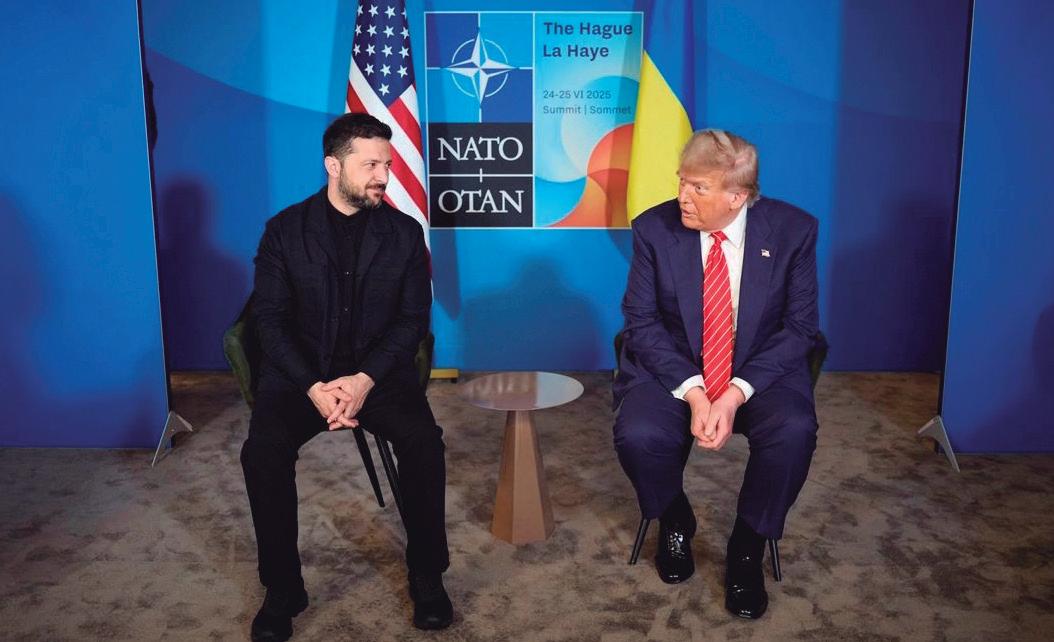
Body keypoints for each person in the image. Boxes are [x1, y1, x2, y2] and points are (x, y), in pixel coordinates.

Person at [240, 113, 452, 641]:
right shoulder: (284, 231)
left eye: (388, 164)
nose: (384, 175)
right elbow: (269, 320)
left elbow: (412, 321)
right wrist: (313, 386)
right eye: (371, 165)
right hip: (301, 379)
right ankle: (283, 588)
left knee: (425, 443)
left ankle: (427, 575)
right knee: (262, 452)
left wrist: (364, 380)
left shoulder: (404, 234)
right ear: (333, 166)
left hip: (377, 377)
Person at [613, 129, 819, 619]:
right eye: (682, 181)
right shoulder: (654, 229)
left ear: (737, 196)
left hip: (758, 370)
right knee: (637, 433)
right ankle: (675, 518)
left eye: (698, 188)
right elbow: (641, 322)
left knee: (794, 431)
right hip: (676, 365)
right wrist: (695, 392)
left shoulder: (793, 231)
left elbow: (800, 328)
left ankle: (747, 544)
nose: (683, 196)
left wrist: (734, 393)